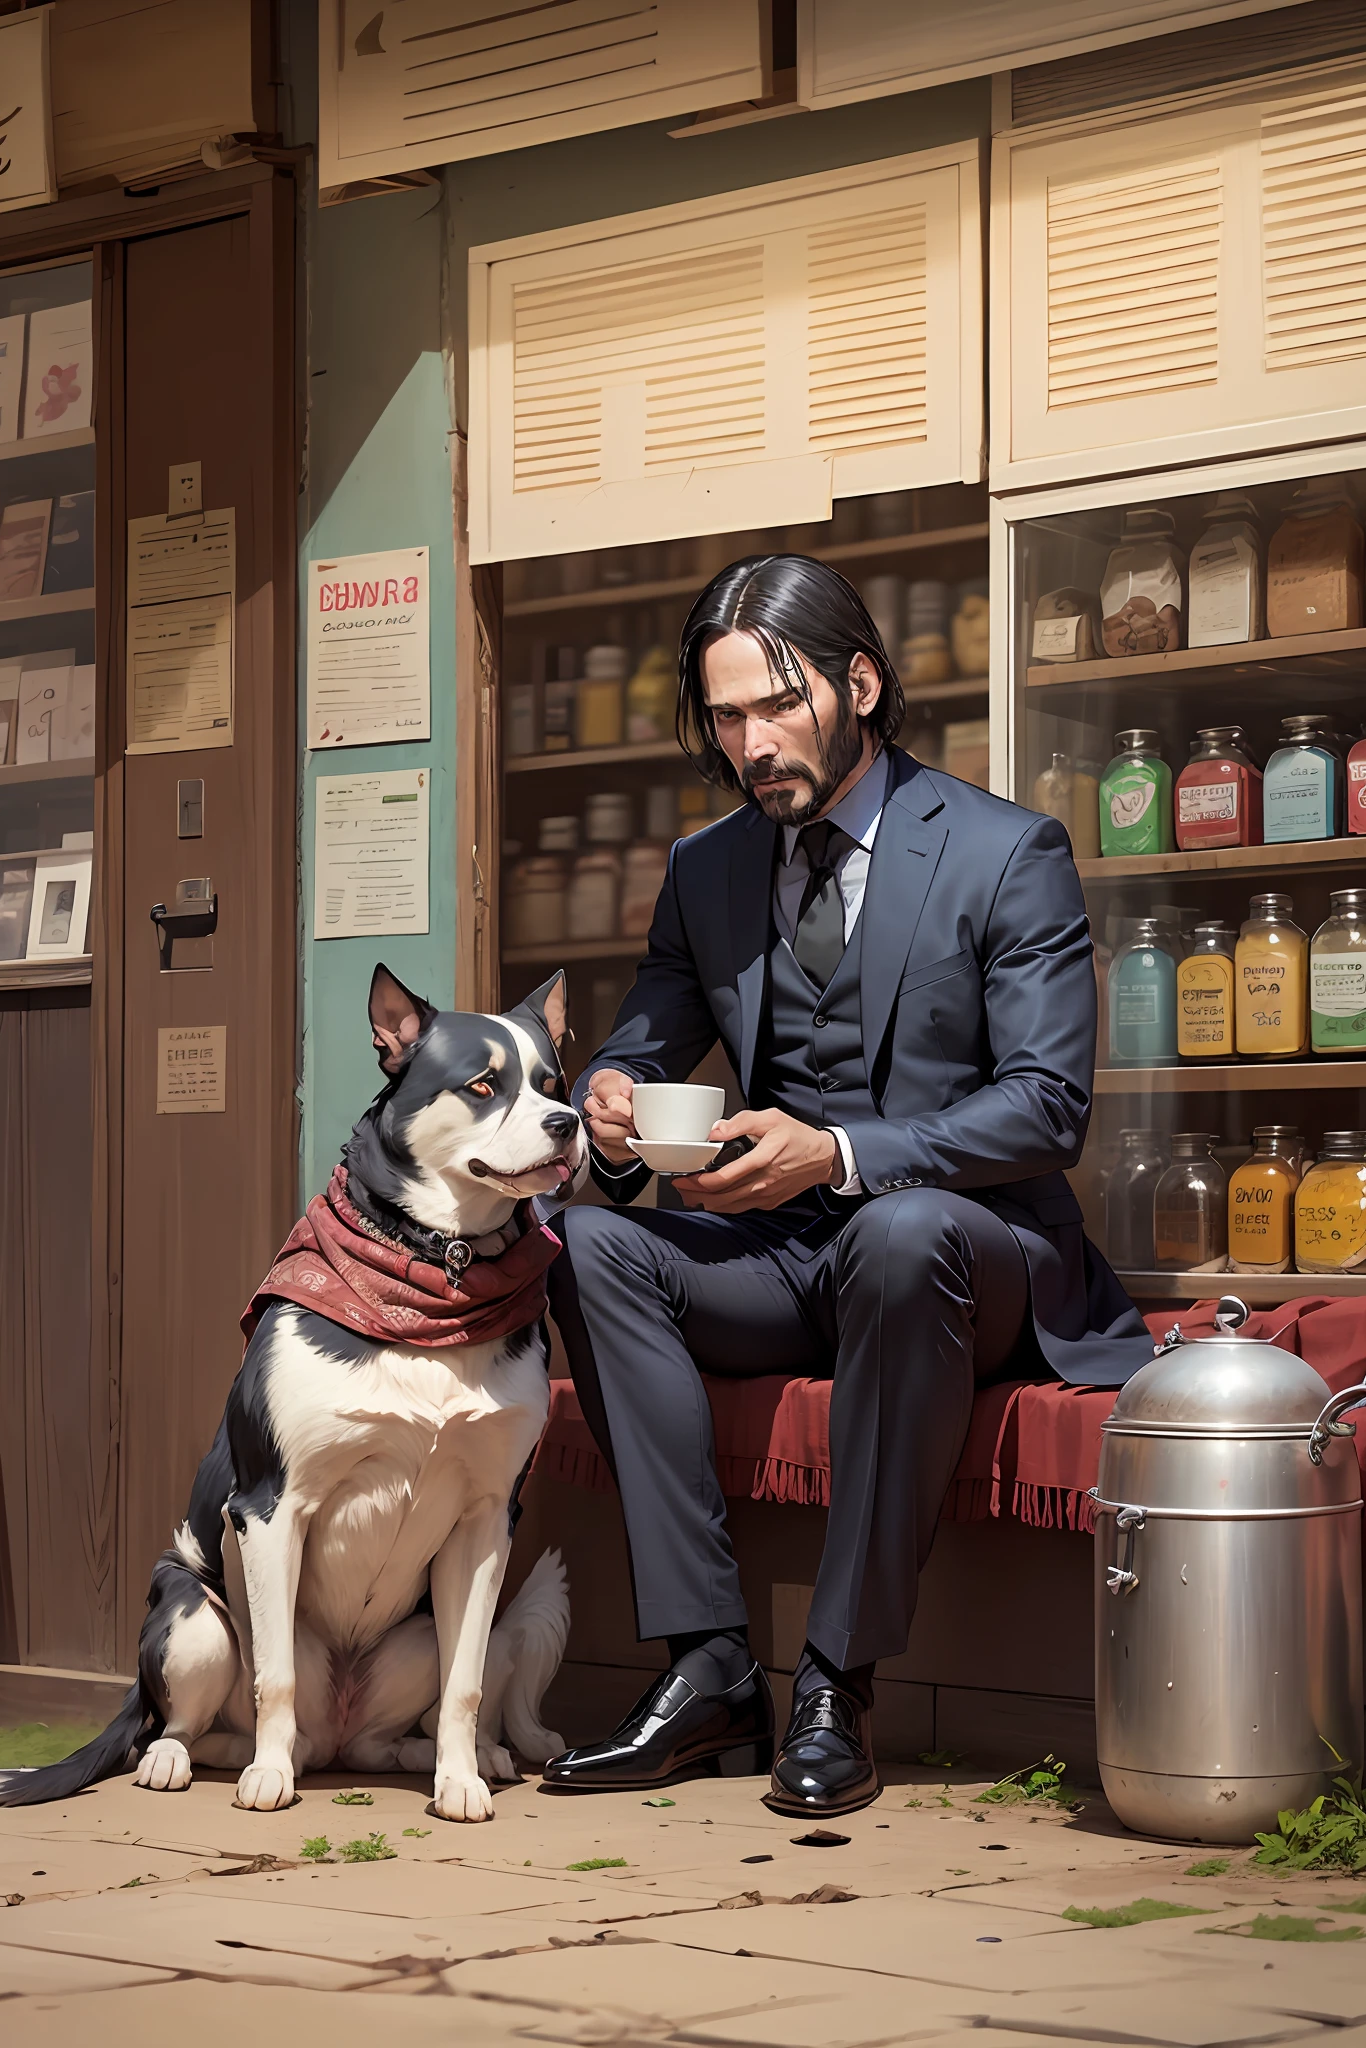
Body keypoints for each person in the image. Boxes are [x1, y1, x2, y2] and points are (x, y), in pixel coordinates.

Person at [541, 555, 1152, 1819]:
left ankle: (835, 1677)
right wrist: (606, 1098)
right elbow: (645, 1042)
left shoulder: (1002, 850)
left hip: (965, 1259)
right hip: (784, 1258)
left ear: (858, 683)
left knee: (902, 1224)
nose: (751, 744)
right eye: (724, 718)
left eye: (776, 705)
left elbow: (1047, 1104)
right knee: (585, 1246)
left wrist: (842, 1153)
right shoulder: (707, 869)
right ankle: (707, 1663)